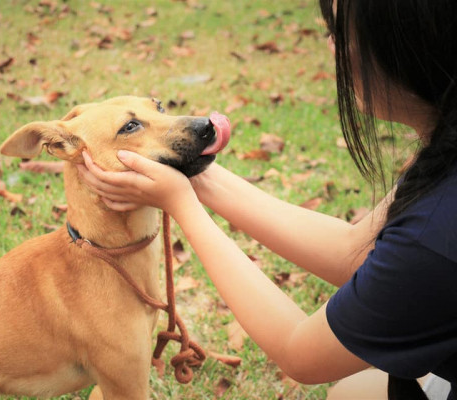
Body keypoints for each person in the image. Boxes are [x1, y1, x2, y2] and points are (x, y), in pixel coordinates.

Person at [77, 0, 457, 398]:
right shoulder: (445, 153)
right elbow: (355, 250)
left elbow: (300, 353)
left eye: (342, 33)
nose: (330, 46)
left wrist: (182, 205)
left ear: (416, 44)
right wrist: (194, 175)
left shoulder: (435, 237)